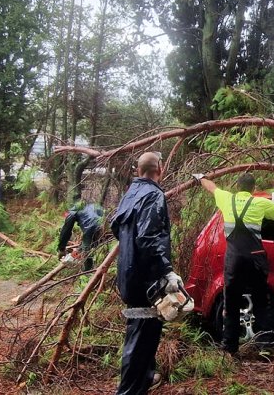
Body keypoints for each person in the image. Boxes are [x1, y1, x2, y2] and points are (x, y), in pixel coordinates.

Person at [194, 172, 274, 355]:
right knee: (261, 301)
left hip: (234, 259)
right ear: (253, 189)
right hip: (255, 258)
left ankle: (229, 348)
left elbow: (211, 187)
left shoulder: (226, 199)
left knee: (231, 302)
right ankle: (265, 347)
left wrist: (200, 178)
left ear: (237, 187)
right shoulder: (260, 202)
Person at [111, 151, 182, 394]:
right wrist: (167, 271)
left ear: (137, 171)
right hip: (145, 281)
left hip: (128, 274)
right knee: (141, 338)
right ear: (159, 170)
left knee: (143, 332)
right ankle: (129, 391)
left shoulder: (130, 193)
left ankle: (146, 376)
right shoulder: (153, 195)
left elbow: (115, 226)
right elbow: (149, 238)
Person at [57, 201, 103, 271]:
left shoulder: (72, 213)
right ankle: (89, 268)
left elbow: (66, 231)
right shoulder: (89, 207)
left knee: (86, 250)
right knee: (86, 246)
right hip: (105, 225)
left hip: (91, 227)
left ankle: (86, 273)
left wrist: (61, 248)